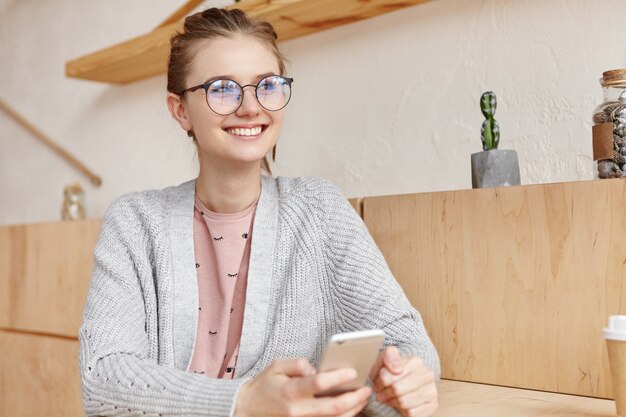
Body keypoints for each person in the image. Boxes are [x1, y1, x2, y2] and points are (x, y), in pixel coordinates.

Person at [79, 7, 440, 417]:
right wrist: (244, 402)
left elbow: (407, 340)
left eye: (266, 85)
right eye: (222, 89)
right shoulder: (134, 223)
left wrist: (409, 380)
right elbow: (103, 379)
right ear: (180, 110)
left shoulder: (320, 210)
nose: (251, 107)